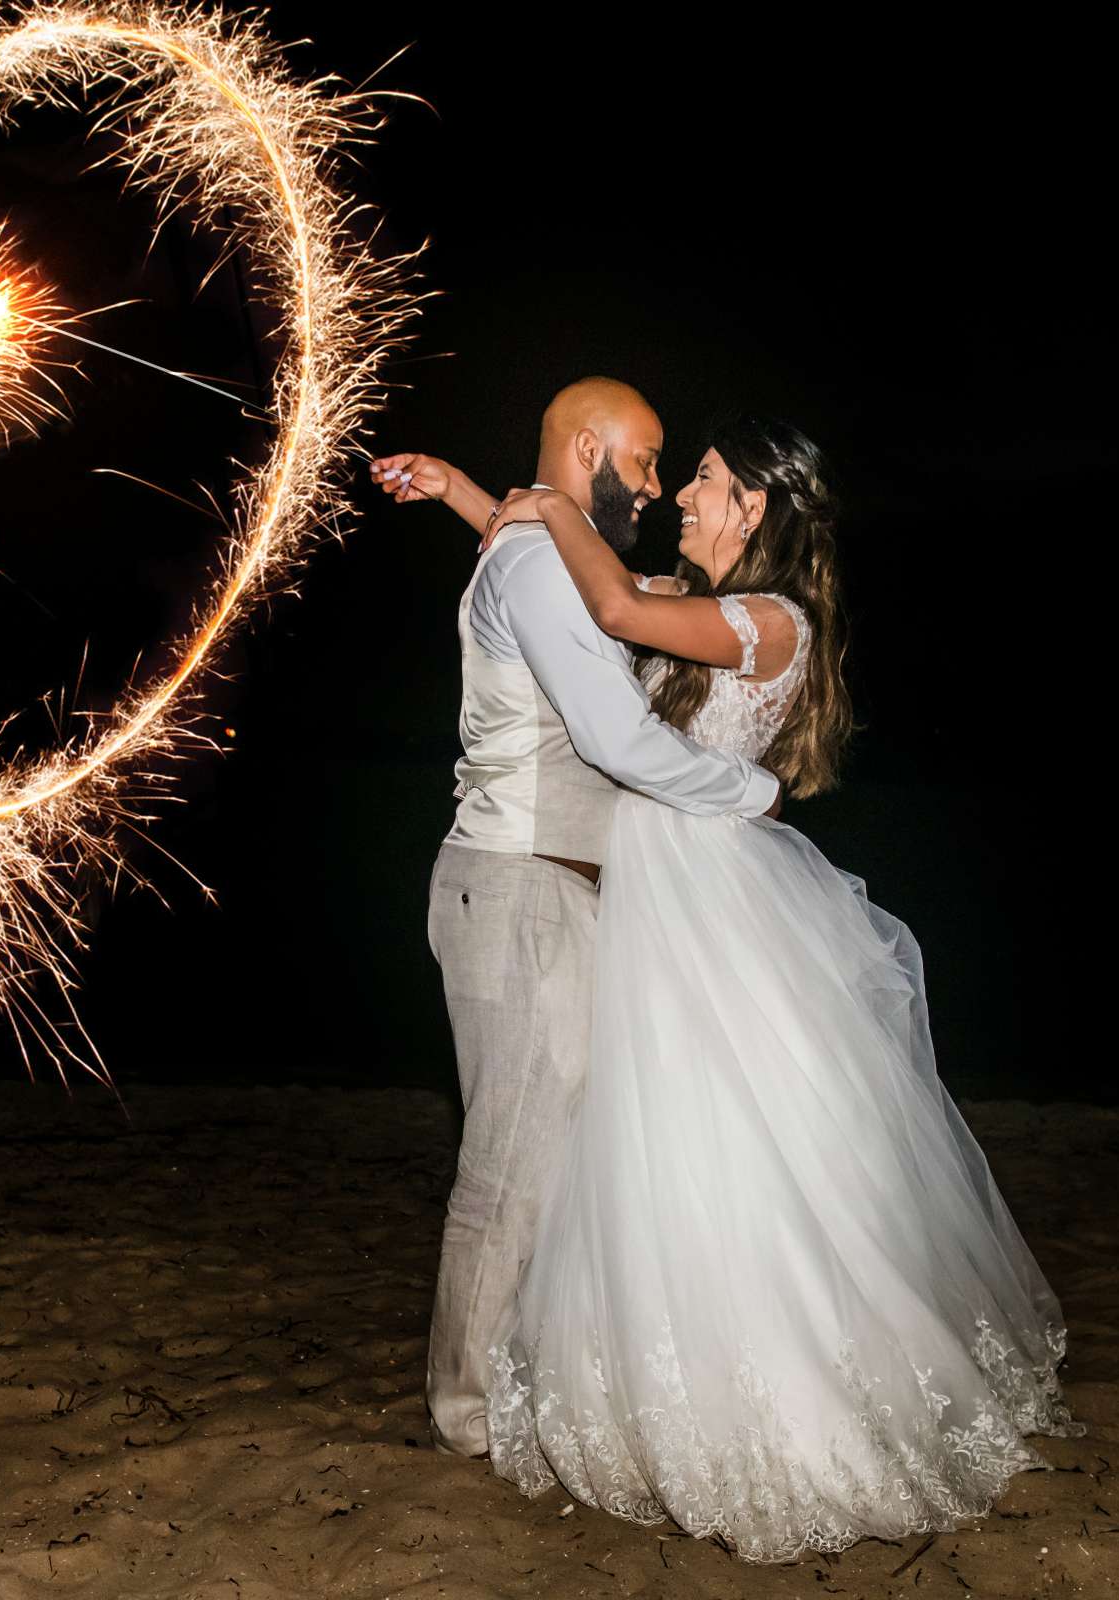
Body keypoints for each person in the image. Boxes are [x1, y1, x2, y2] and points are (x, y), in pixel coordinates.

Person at [374, 413, 1084, 1562]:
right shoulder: (693, 597)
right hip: (657, 890)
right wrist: (469, 492)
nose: (678, 495)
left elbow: (605, 607)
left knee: (724, 1137)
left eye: (701, 479)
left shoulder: (767, 619)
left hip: (704, 884)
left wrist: (549, 502)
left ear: (756, 509)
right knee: (663, 1136)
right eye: (674, 471)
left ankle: (774, 1378)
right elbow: (581, 581)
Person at [369, 377, 782, 1460]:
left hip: (562, 892)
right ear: (592, 451)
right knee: (509, 1166)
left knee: (564, 1159)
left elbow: (613, 586)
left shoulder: (552, 554)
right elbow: (619, 743)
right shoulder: (541, 564)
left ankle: (527, 1383)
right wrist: (758, 800)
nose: (655, 488)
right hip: (519, 889)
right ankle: (470, 1416)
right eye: (647, 463)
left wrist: (462, 488)